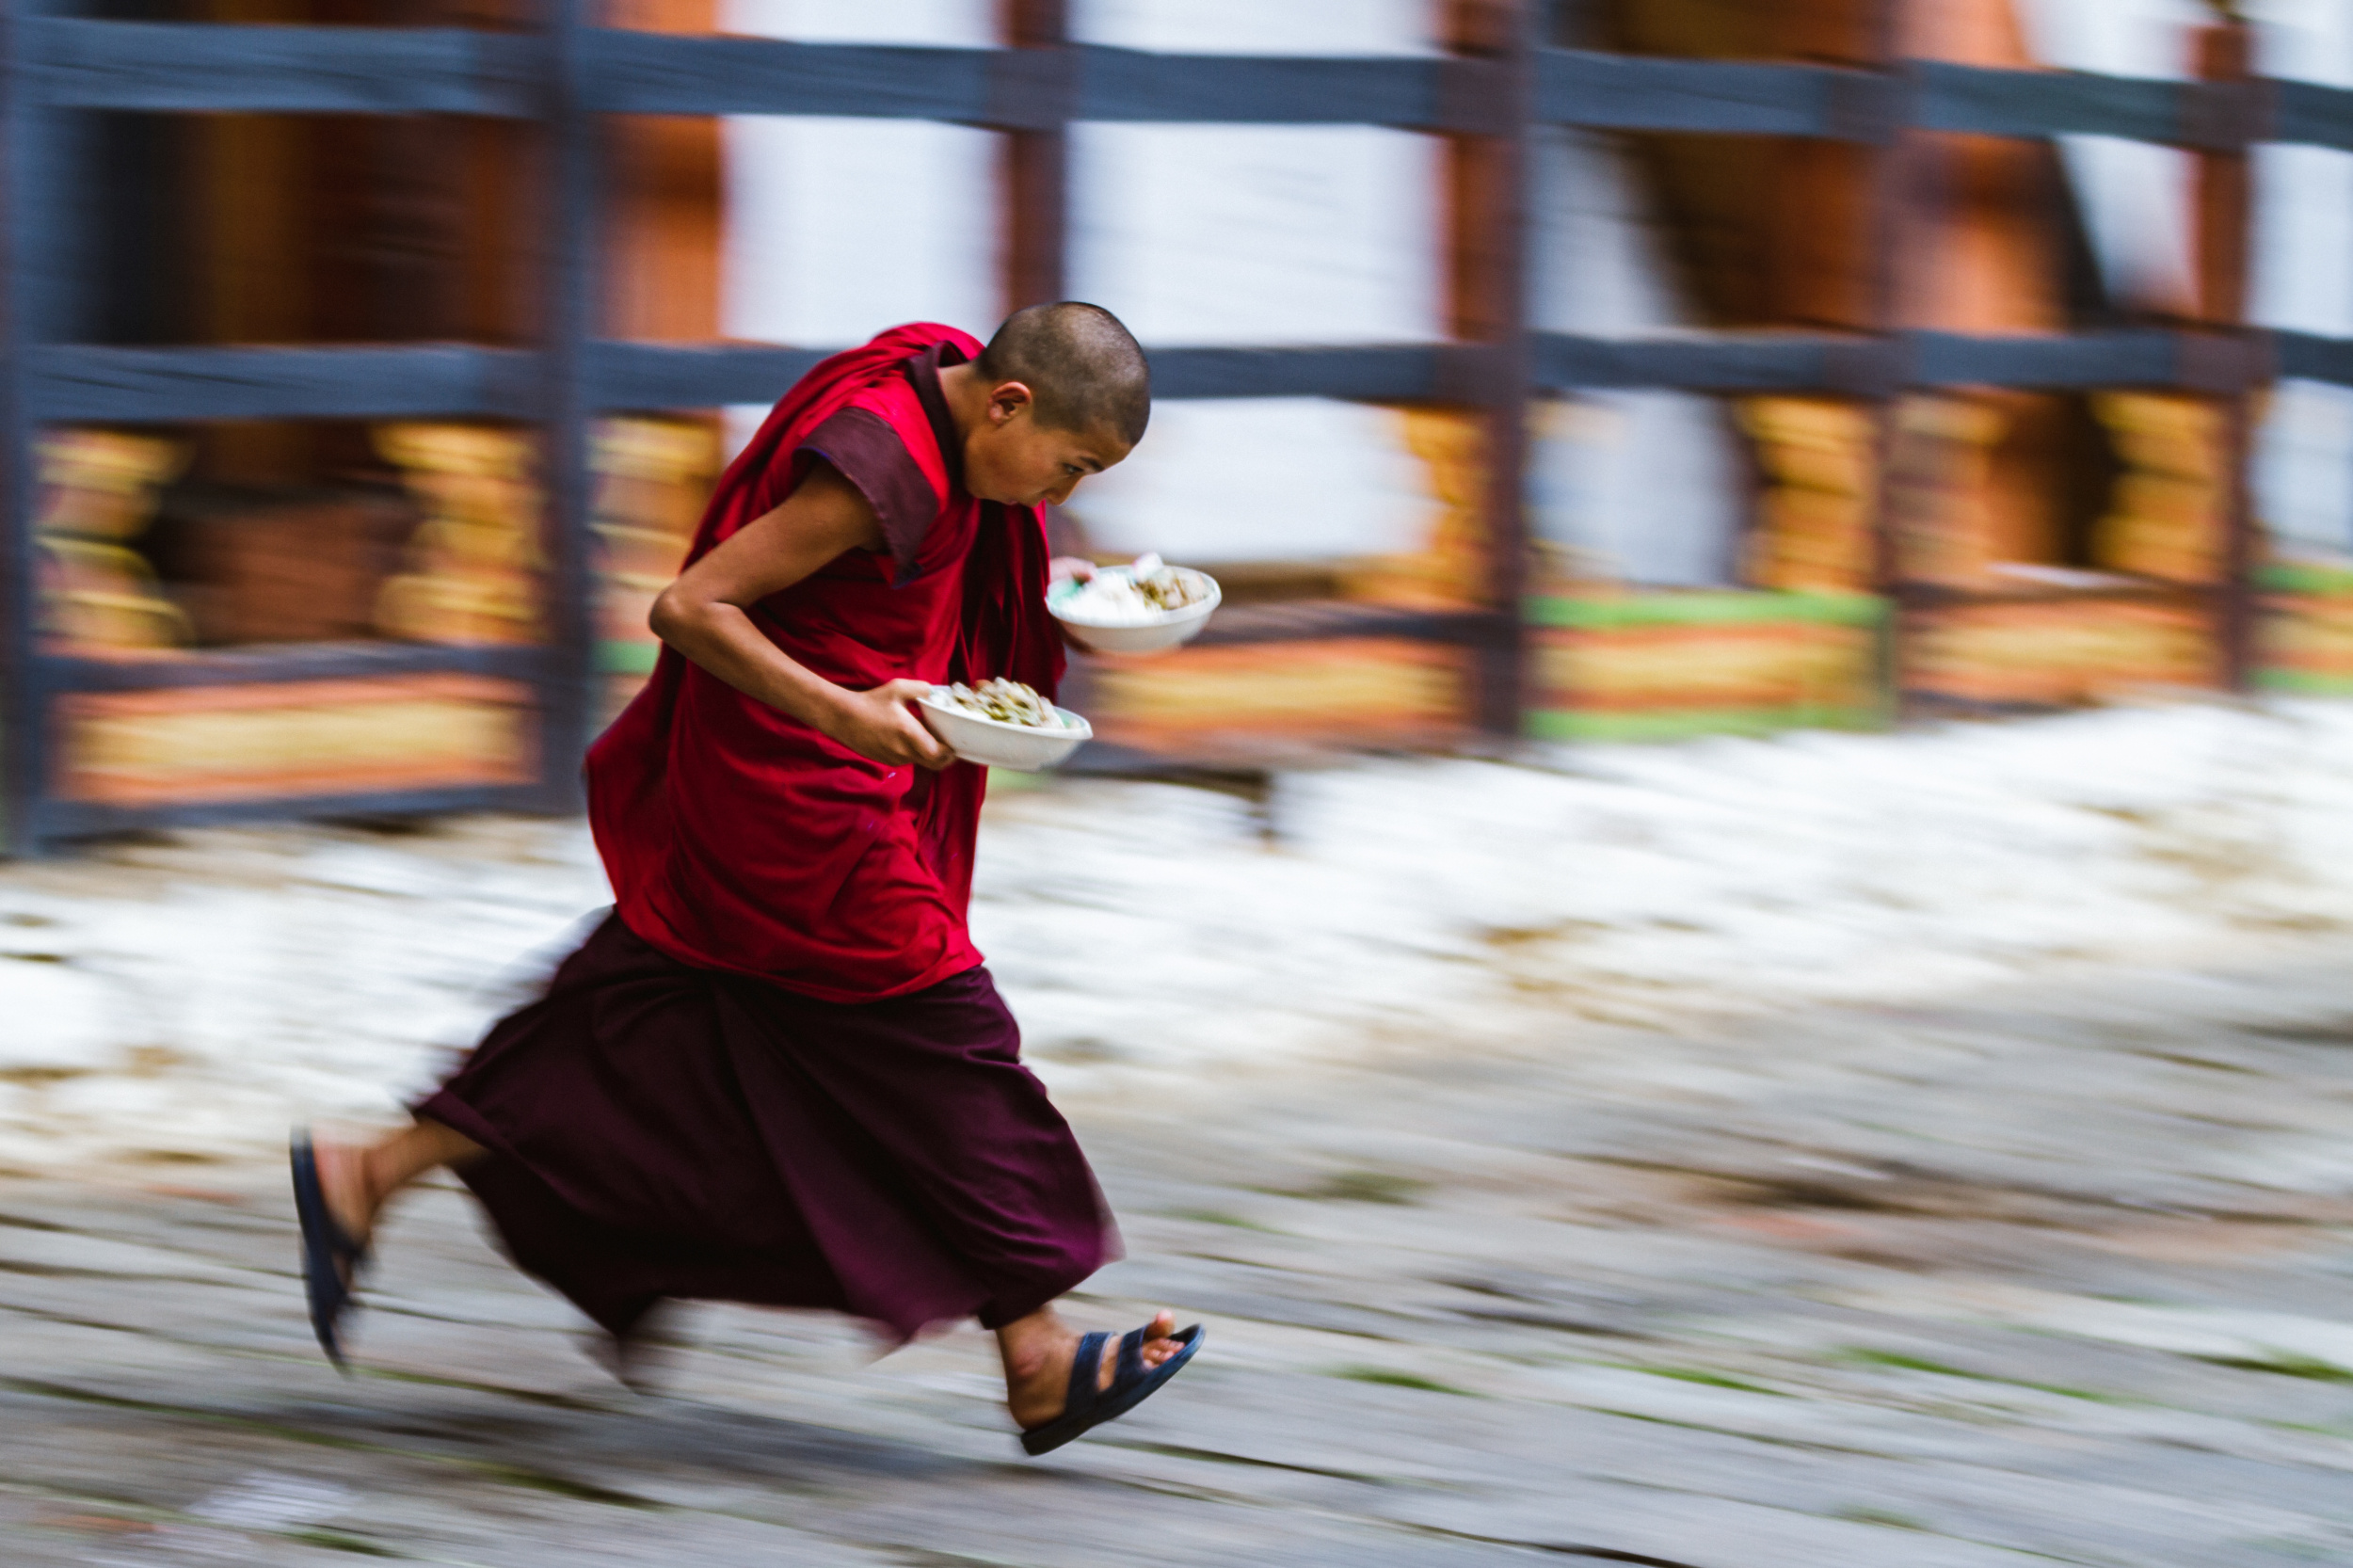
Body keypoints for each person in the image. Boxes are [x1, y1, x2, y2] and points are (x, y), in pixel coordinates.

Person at [290, 303, 1200, 1456]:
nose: (1060, 492)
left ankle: (368, 1169)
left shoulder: (938, 396)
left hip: (799, 780)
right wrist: (845, 713)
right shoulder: (883, 466)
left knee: (646, 1014)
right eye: (1068, 467)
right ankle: (1037, 1348)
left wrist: (1037, 573)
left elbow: (897, 570)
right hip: (796, 793)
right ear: (1007, 403)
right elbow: (689, 606)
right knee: (944, 1032)